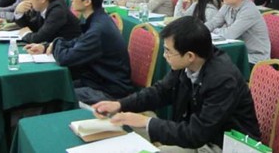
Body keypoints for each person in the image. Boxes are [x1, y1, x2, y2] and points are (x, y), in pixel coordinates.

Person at [94, 17, 261, 152]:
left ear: (190, 56)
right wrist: (120, 104)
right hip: (198, 134)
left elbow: (197, 134)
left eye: (168, 51)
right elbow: (160, 92)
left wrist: (146, 122)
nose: (164, 55)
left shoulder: (223, 80)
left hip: (222, 145)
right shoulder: (187, 64)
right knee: (124, 124)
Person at [26, 0, 133, 104]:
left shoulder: (98, 30)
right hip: (95, 81)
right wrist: (46, 46)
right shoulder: (98, 19)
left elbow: (66, 59)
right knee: (52, 86)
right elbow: (77, 42)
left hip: (108, 91)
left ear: (87, 2)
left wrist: (55, 44)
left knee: (55, 94)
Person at [205, 0, 270, 65]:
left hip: (255, 57)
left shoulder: (249, 10)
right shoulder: (228, 5)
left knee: (215, 62)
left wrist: (214, 31)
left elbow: (230, 34)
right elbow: (213, 22)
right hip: (239, 51)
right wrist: (202, 31)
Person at [15, 0, 81, 43]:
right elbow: (33, 28)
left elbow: (39, 38)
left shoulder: (57, 11)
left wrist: (25, 34)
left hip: (69, 46)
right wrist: (19, 13)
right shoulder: (42, 6)